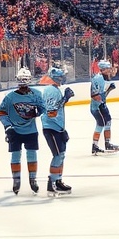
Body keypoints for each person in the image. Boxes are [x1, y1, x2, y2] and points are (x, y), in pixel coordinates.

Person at [0, 67, 45, 195]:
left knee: (31, 154)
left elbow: (42, 108)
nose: (23, 83)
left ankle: (32, 179)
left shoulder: (36, 94)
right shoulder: (10, 97)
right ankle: (16, 180)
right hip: (15, 132)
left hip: (30, 131)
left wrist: (38, 111)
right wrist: (8, 126)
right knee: (16, 155)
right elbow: (1, 112)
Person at [40, 66, 75, 196]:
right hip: (51, 128)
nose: (64, 78)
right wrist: (65, 98)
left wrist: (62, 129)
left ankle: (58, 180)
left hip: (56, 127)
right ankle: (52, 183)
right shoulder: (51, 90)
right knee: (58, 155)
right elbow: (51, 112)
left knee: (61, 155)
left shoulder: (54, 89)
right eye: (62, 76)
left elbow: (55, 109)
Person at [90, 59, 119, 154]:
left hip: (101, 105)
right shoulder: (98, 78)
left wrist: (109, 90)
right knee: (101, 124)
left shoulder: (104, 78)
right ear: (103, 69)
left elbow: (102, 95)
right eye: (107, 68)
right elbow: (94, 95)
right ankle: (94, 145)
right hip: (97, 107)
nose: (109, 70)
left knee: (108, 122)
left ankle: (107, 143)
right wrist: (101, 102)